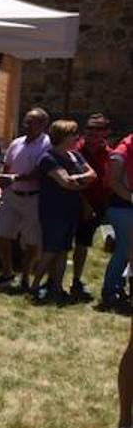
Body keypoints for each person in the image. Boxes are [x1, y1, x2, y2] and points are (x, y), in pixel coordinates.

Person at [32, 120, 96, 303]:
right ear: (62, 136)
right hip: (53, 211)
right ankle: (35, 285)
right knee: (50, 250)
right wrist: (79, 183)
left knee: (63, 250)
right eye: (73, 134)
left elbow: (93, 175)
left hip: (70, 210)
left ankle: (57, 287)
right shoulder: (48, 158)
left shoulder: (75, 156)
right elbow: (65, 183)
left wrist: (77, 178)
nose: (77, 138)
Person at [0, 107, 50, 292]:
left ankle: (25, 276)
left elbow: (40, 172)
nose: (26, 125)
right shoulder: (17, 143)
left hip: (33, 198)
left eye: (31, 122)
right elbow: (7, 166)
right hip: (12, 196)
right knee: (3, 235)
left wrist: (15, 178)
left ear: (42, 124)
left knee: (32, 241)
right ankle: (7, 272)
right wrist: (0, 186)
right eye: (25, 121)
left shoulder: (46, 144)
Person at [73, 114, 113, 301]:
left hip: (96, 207)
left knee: (83, 244)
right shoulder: (74, 149)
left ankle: (76, 280)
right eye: (90, 128)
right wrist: (82, 201)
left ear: (106, 132)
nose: (93, 133)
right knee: (61, 245)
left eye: (98, 129)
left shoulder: (111, 155)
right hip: (72, 203)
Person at [99, 132, 133, 312]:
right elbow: (114, 183)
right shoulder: (120, 154)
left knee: (126, 250)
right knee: (124, 250)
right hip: (123, 208)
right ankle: (110, 291)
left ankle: (117, 289)